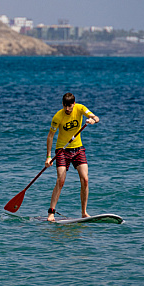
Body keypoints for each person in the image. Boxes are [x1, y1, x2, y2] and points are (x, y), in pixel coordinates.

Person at [44, 92, 100, 222]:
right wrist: (48, 156)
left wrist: (93, 120)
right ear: (62, 105)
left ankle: (84, 212)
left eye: (69, 106)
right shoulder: (58, 116)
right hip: (62, 151)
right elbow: (50, 136)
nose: (67, 109)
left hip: (78, 149)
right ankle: (51, 213)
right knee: (61, 181)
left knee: (85, 179)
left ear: (73, 104)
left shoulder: (80, 108)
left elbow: (95, 117)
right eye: (65, 106)